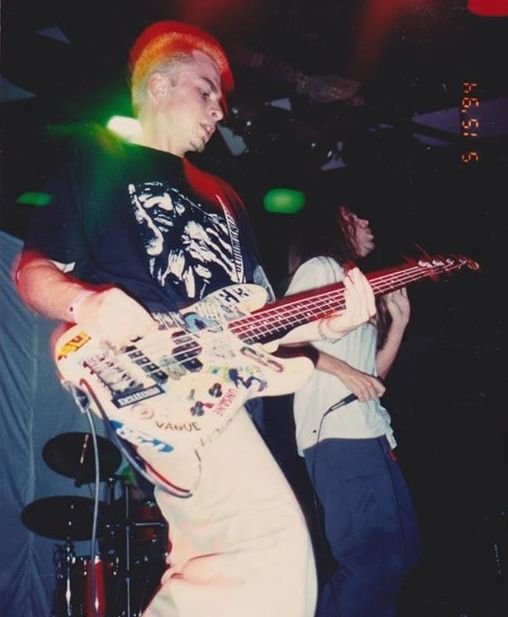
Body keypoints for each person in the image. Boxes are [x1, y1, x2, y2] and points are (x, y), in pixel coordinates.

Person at [16, 21, 378, 617]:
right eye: (206, 90)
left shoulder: (224, 194)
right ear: (159, 86)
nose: (220, 109)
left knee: (223, 572)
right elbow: (34, 271)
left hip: (235, 393)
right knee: (270, 550)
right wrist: (86, 303)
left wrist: (326, 326)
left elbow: (261, 313)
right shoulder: (98, 162)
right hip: (159, 382)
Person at [285, 203, 423, 617]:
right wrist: (343, 371)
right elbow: (281, 340)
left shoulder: (356, 283)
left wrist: (398, 325)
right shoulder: (320, 269)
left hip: (370, 431)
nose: (366, 222)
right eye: (354, 217)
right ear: (333, 224)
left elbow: (372, 378)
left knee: (403, 552)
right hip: (337, 433)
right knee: (371, 562)